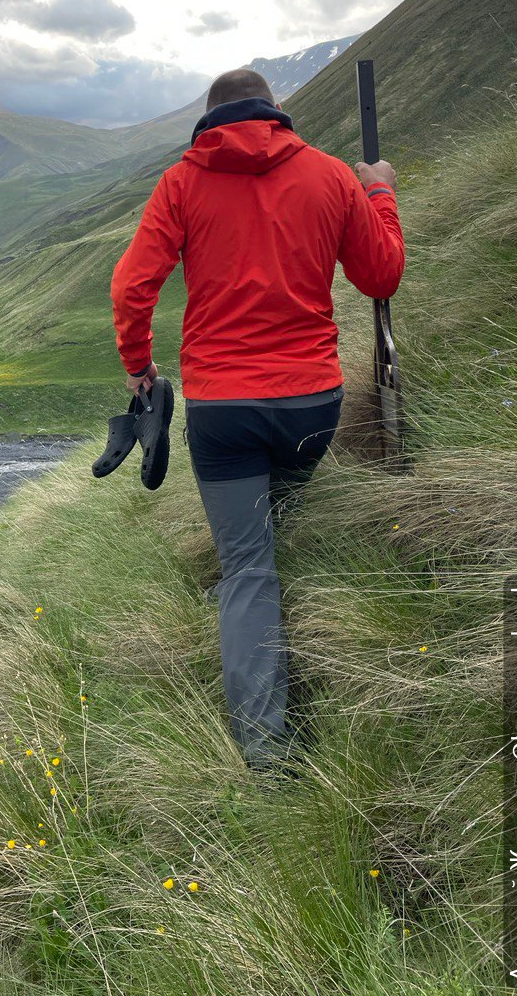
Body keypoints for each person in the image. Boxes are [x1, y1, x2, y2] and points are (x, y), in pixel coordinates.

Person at [109, 67, 405, 767]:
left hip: (223, 409)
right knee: (277, 517)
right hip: (312, 403)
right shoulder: (333, 176)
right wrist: (381, 192)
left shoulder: (183, 180)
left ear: (208, 119)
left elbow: (131, 286)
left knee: (247, 567)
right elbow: (382, 276)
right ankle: (284, 594)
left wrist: (137, 364)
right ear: (278, 110)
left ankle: (266, 755)